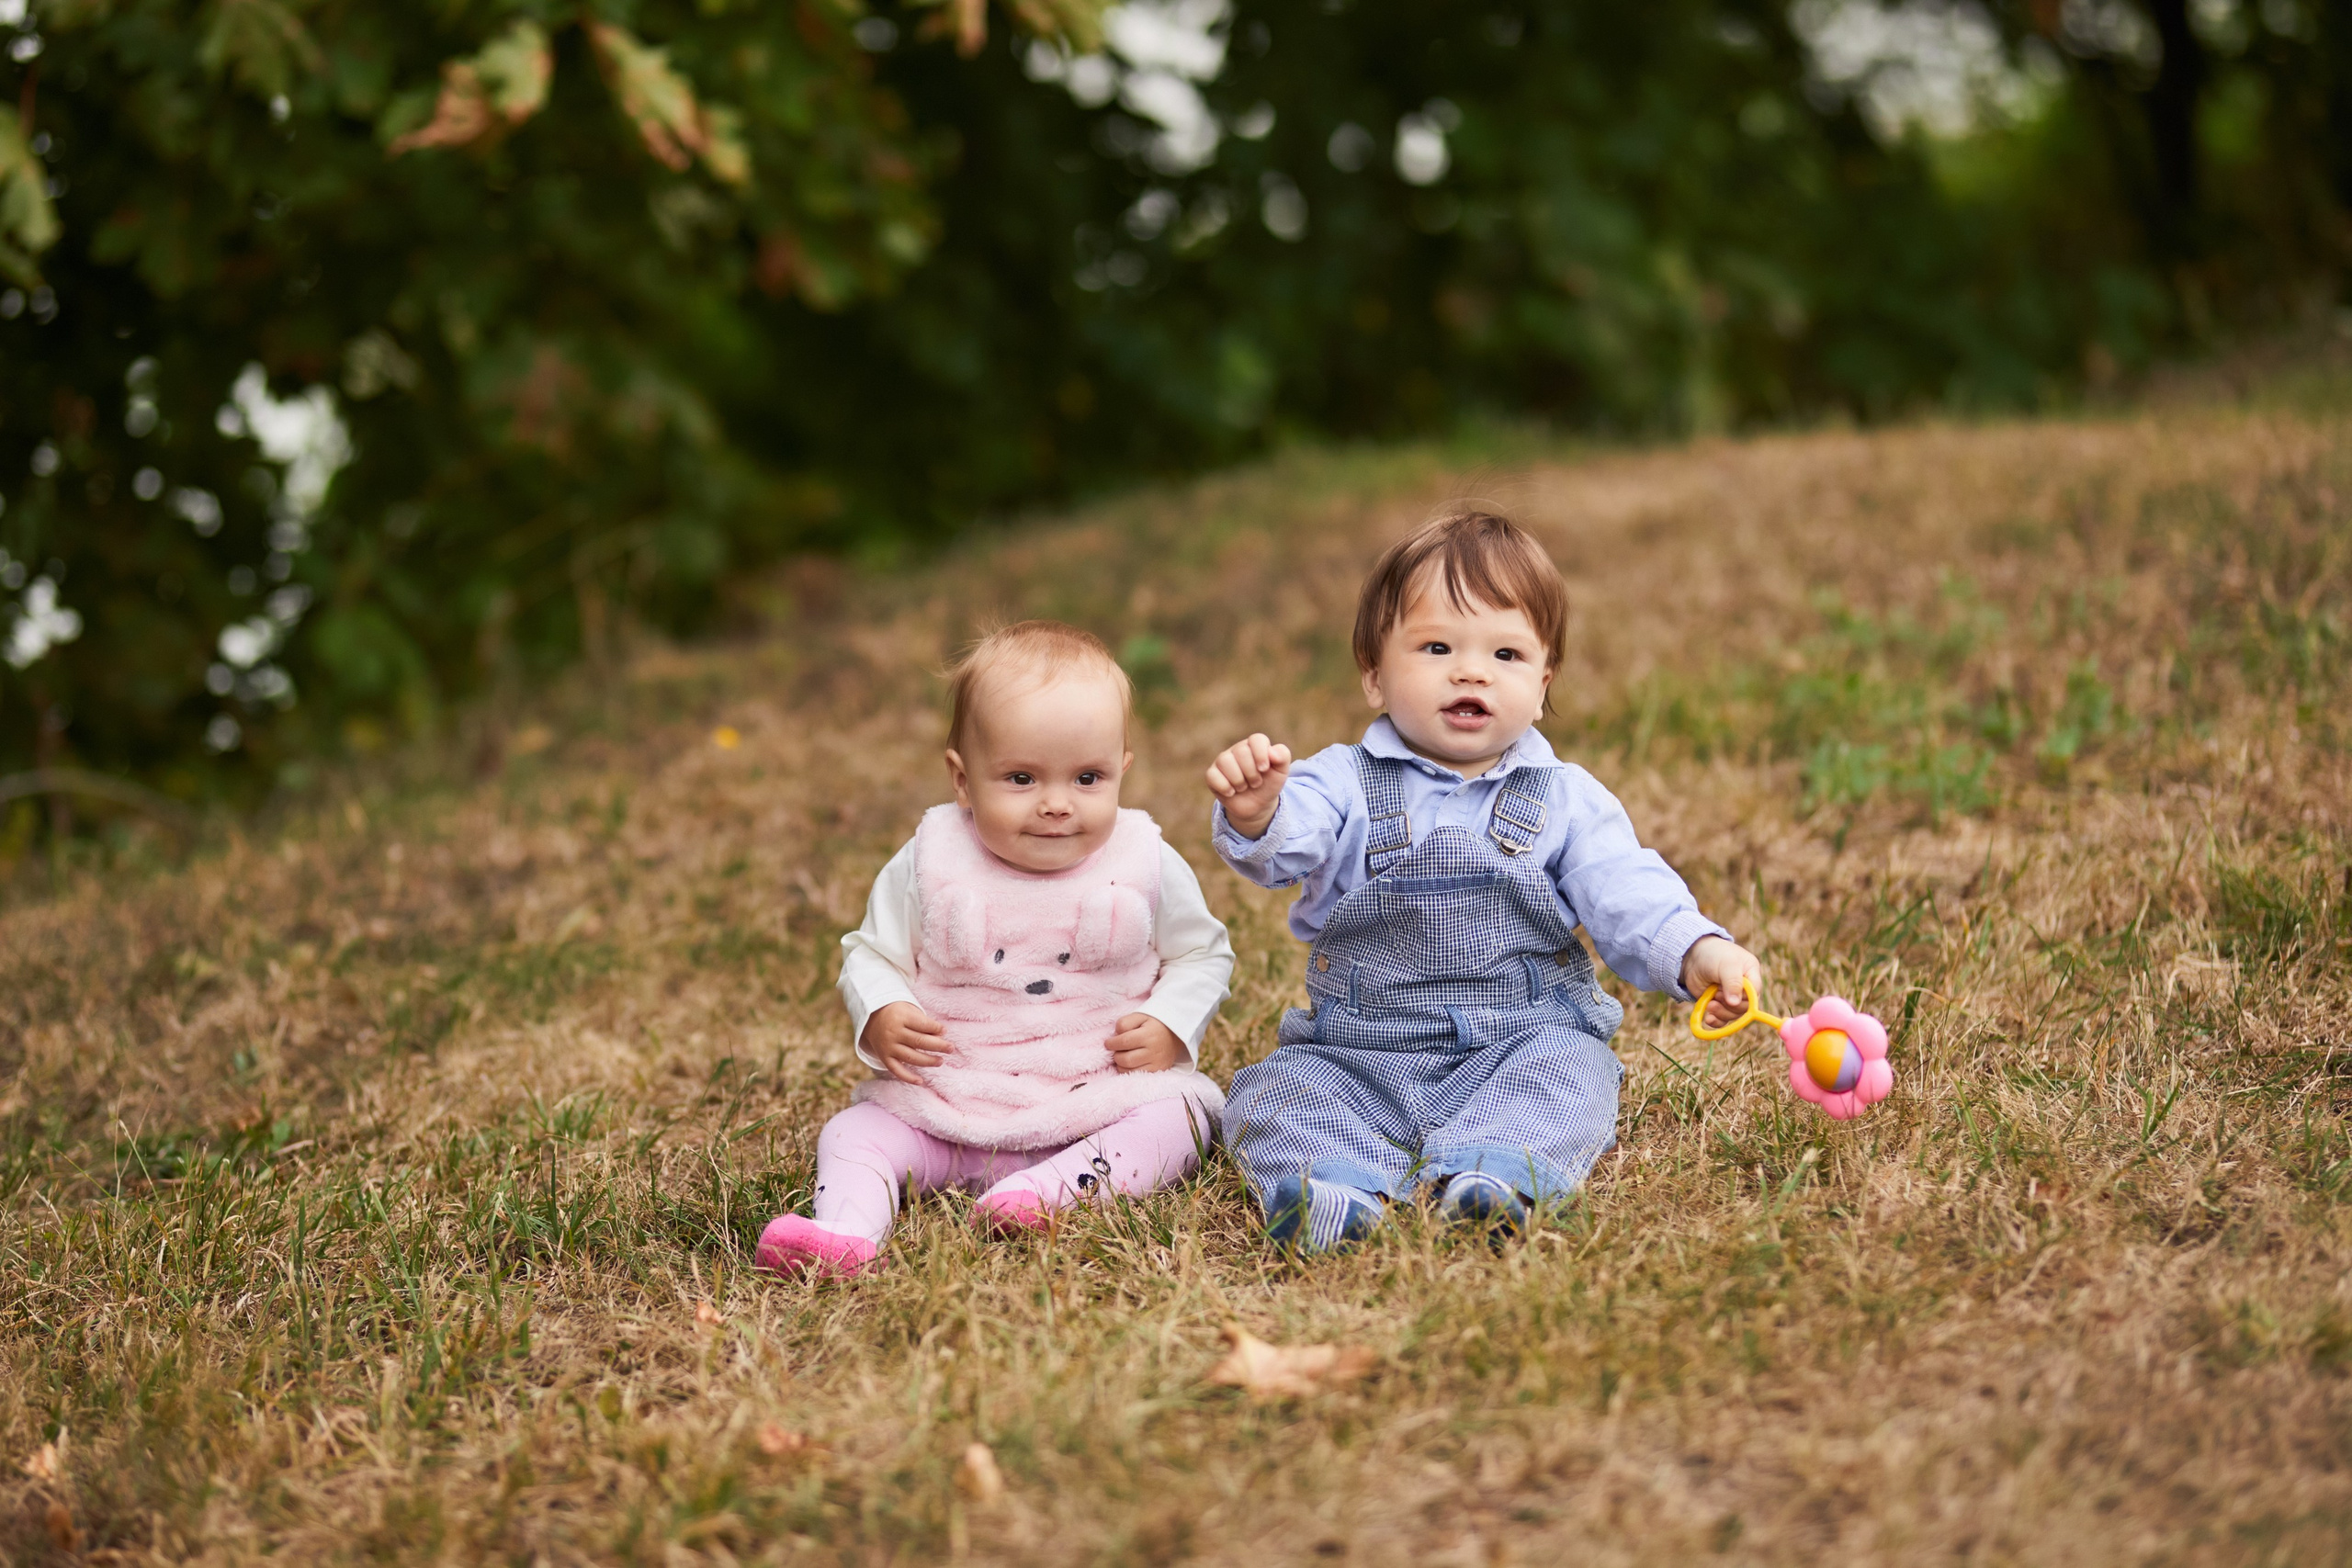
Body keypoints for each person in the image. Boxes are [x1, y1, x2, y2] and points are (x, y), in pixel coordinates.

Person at [1204, 510, 1762, 1251]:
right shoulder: (1341, 780)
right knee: (1273, 1088)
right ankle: (1333, 1188)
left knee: (1575, 1068)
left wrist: (1697, 951)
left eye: (1505, 652)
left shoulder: (1565, 797)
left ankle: (1494, 1176)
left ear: (1542, 682)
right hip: (1360, 1053)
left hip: (1518, 1042)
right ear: (1374, 674)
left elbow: (1628, 890)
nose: (1471, 670)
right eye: (1436, 646)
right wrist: (1258, 812)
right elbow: (1288, 843)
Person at [759, 621, 1234, 1277]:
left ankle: (1046, 1195)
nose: (1057, 804)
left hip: (1093, 1103)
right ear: (962, 779)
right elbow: (872, 952)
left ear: (1124, 768)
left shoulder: (1143, 859)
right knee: (850, 1133)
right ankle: (843, 1232)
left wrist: (1169, 1023)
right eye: (1020, 778)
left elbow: (1204, 953)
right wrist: (884, 1009)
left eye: (1088, 777)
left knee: (1185, 1114)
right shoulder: (932, 859)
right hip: (949, 1113)